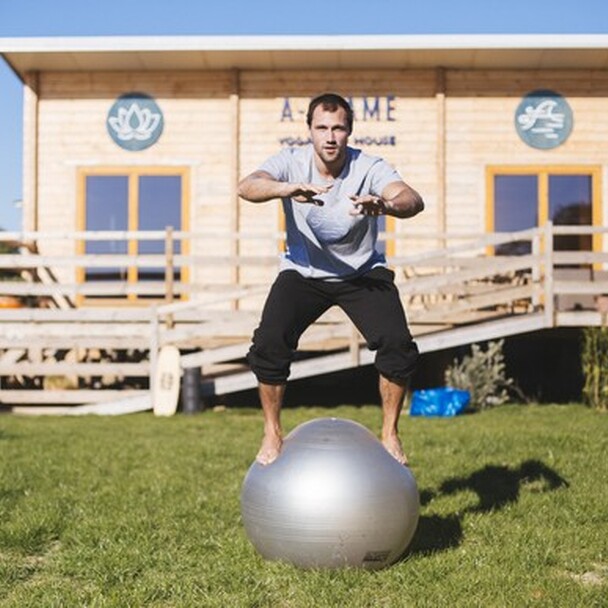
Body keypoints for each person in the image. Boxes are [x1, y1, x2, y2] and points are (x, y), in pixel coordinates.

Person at [237, 92, 424, 466]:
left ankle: (390, 433)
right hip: (303, 272)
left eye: (338, 128)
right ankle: (272, 431)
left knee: (397, 346)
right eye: (322, 127)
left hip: (362, 273)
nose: (330, 137)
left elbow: (412, 200)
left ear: (349, 132)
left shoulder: (369, 166)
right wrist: (284, 189)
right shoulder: (290, 162)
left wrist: (385, 204)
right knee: (270, 343)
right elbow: (247, 186)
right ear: (309, 130)